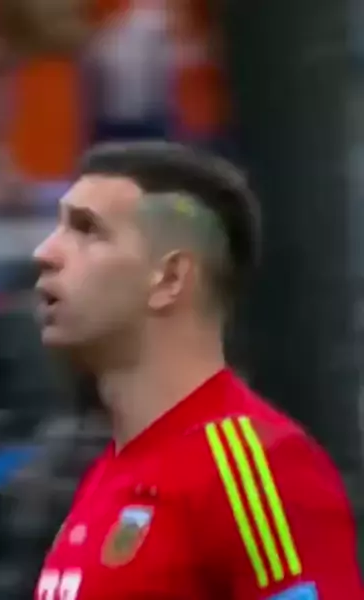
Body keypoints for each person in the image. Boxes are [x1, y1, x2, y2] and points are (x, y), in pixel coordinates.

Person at [32, 140, 362, 600]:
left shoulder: (257, 471)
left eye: (88, 230)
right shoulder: (105, 477)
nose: (45, 252)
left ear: (169, 279)